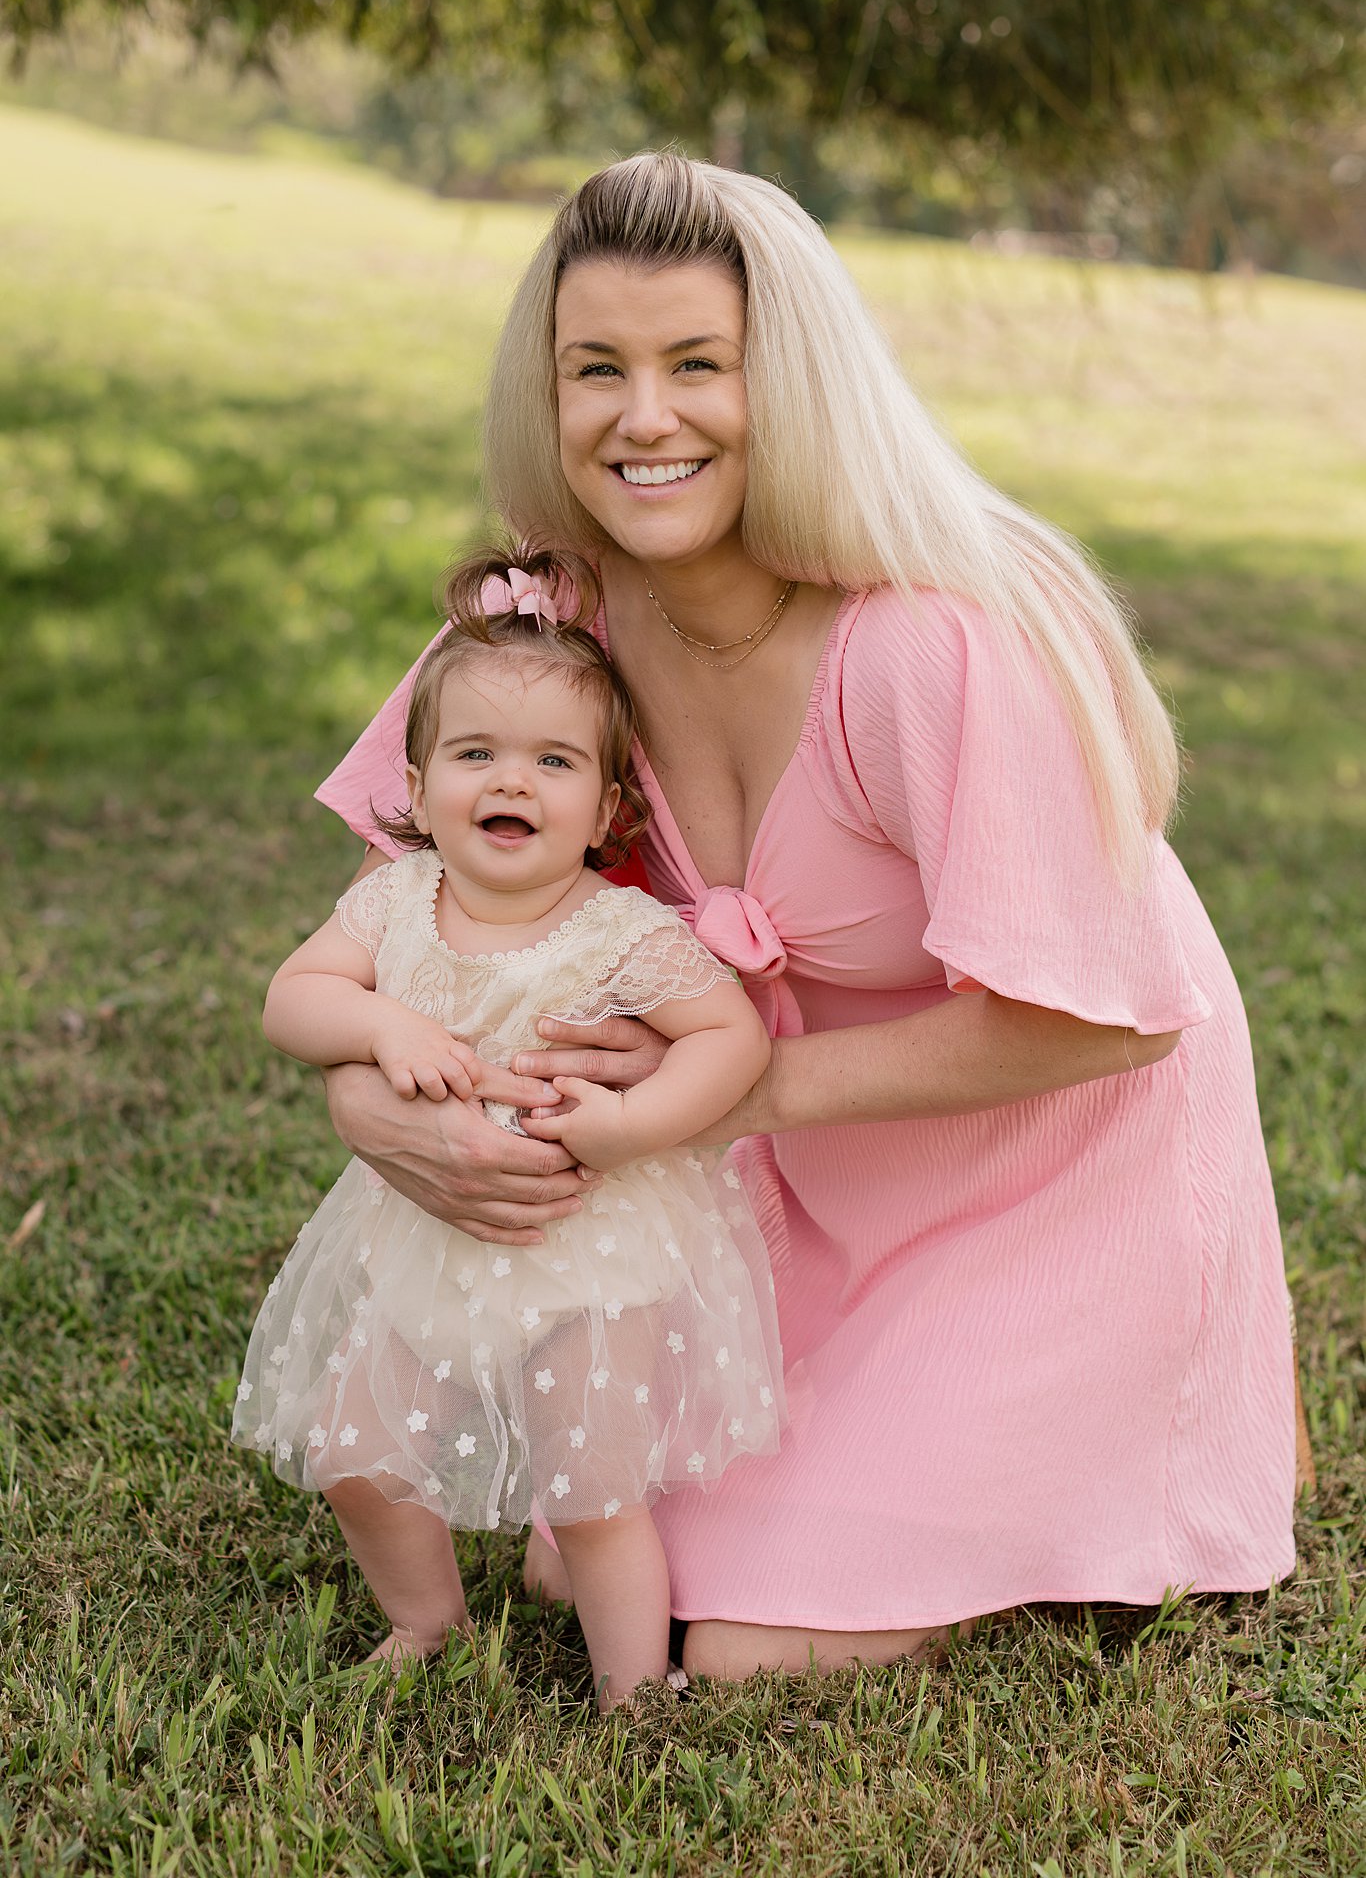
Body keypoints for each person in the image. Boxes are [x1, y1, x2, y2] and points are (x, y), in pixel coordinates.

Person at [315, 152, 1299, 1681]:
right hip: (792, 1191)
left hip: (1046, 1193)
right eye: (598, 371)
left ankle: (1171, 1407)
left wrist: (731, 1093)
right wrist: (378, 1106)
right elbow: (386, 924)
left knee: (735, 1652)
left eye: (698, 364)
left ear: (795, 380)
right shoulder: (550, 628)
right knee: (582, 1570)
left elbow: (1104, 1015)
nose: (645, 419)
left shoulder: (929, 648)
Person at [233, 540, 783, 1706]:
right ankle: (423, 1622)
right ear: (420, 784)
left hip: (587, 1248)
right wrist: (379, 1029)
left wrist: (634, 1124)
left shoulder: (620, 928)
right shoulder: (393, 903)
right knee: (354, 1453)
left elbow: (730, 1037)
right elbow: (293, 997)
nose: (510, 782)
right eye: (474, 753)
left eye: (553, 760)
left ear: (608, 806)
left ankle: (632, 1688)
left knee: (591, 1488)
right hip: (425, 1242)